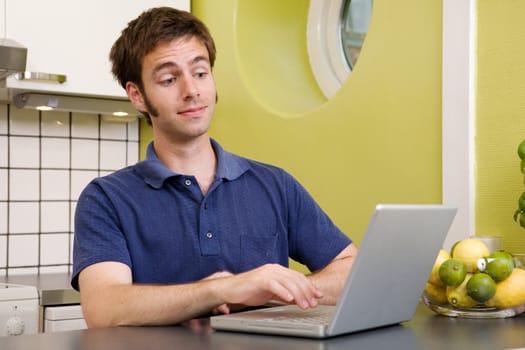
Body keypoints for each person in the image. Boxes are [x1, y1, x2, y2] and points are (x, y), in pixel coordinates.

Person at [72, 7, 358, 328]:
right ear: (137, 95)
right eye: (169, 78)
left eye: (200, 72)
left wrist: (269, 290)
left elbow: (352, 270)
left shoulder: (275, 184)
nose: (191, 90)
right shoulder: (106, 199)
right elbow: (104, 308)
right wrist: (220, 289)